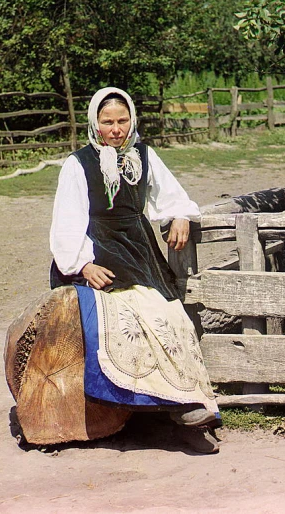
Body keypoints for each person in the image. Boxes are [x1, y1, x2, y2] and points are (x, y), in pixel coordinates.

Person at [49, 87, 220, 453]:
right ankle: (159, 404)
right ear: (94, 122)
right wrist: (83, 264)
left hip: (138, 249)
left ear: (132, 121)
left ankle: (187, 403)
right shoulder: (78, 164)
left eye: (122, 121)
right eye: (107, 121)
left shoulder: (143, 155)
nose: (115, 129)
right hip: (98, 249)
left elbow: (171, 194)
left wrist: (179, 216)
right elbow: (66, 223)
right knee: (130, 317)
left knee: (170, 315)